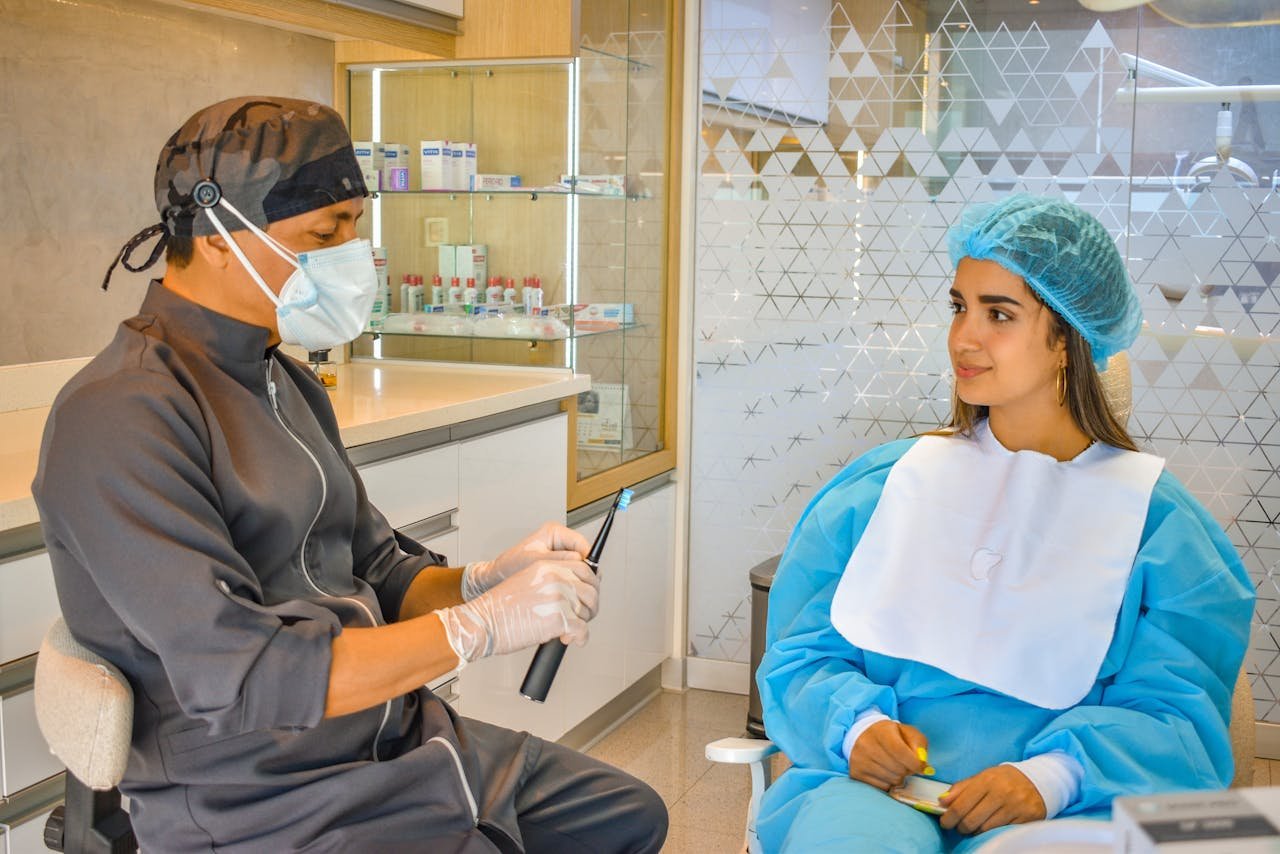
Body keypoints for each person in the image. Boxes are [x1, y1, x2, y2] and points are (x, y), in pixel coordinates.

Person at [31, 96, 667, 853]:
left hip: (393, 743)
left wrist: (483, 583)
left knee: (632, 816)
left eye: (355, 231)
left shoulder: (284, 383)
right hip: (265, 800)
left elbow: (379, 572)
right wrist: (478, 631)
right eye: (324, 234)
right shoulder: (119, 418)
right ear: (219, 235)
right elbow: (250, 679)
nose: (353, 259)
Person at [755, 194, 1254, 853]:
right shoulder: (881, 489)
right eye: (960, 306)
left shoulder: (1158, 529)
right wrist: (857, 729)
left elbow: (1176, 717)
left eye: (999, 314)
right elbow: (801, 653)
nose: (964, 337)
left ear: (1068, 342)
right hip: (874, 796)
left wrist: (1050, 776)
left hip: (1069, 810)